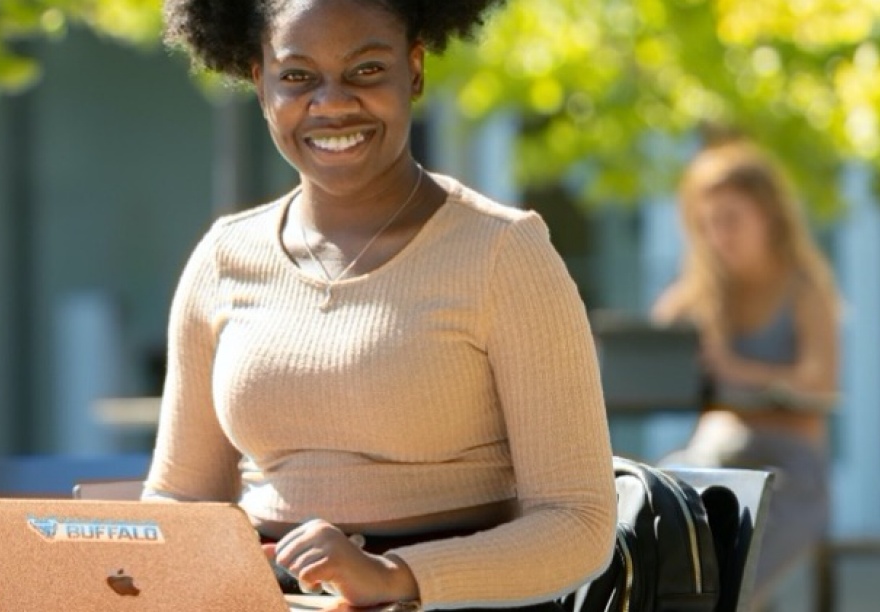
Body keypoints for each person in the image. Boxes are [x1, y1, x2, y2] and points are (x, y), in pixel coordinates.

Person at [144, 1, 616, 610]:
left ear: (413, 70)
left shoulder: (503, 253)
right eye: (296, 76)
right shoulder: (223, 257)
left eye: (366, 70)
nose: (332, 102)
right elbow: (181, 501)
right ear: (259, 82)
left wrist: (395, 575)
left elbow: (578, 523)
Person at [652, 141, 842, 607]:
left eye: (732, 220)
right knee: (661, 507)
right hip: (714, 457)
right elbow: (653, 345)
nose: (720, 236)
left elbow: (820, 382)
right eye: (708, 223)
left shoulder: (804, 289)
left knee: (729, 590)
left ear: (769, 216)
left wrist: (740, 371)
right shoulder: (701, 293)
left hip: (789, 473)